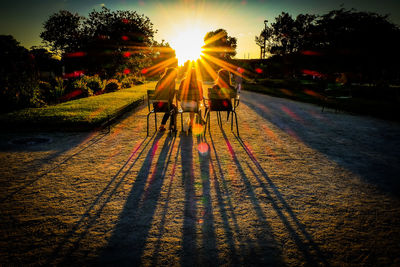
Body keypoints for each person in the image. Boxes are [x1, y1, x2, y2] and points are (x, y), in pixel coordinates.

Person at [154, 67, 178, 132]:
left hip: (156, 106)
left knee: (170, 108)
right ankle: (172, 126)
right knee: (173, 108)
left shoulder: (161, 80)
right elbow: (171, 95)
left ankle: (162, 126)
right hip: (164, 106)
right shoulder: (172, 81)